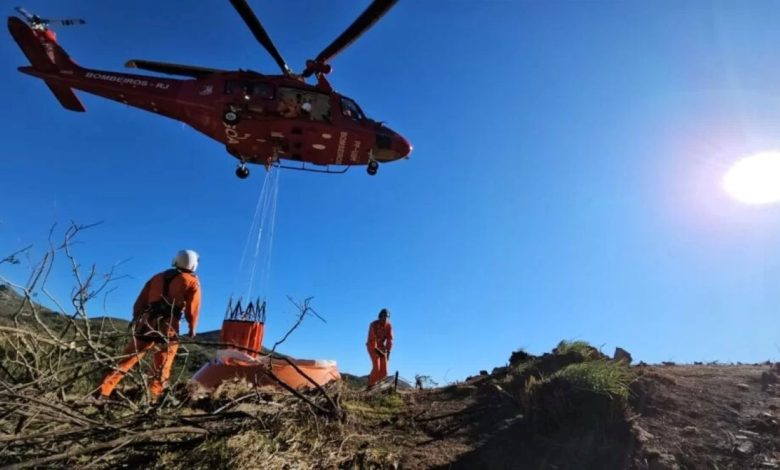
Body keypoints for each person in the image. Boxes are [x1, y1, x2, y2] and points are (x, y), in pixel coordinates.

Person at [97, 250, 201, 402]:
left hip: (147, 322)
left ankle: (102, 391)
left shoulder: (157, 277)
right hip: (168, 326)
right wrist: (192, 328)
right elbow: (193, 309)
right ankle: (152, 398)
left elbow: (140, 302)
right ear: (193, 264)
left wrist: (137, 318)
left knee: (127, 359)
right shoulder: (192, 281)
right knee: (162, 364)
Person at [366, 308, 393, 388]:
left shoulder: (388, 326)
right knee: (377, 368)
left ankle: (380, 386)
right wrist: (377, 351)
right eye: (384, 316)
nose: (385, 318)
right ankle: (370, 385)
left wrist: (388, 352)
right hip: (372, 347)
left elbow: (389, 339)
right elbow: (371, 340)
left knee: (384, 371)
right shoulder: (373, 325)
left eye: (387, 317)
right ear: (380, 316)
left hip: (382, 347)